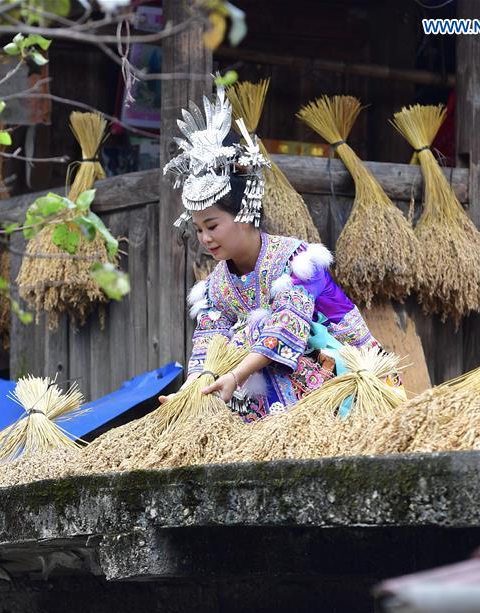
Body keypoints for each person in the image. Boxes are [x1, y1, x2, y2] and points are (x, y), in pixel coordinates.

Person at [158, 85, 381, 421]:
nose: (204, 238)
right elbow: (209, 342)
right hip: (260, 380)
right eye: (199, 229)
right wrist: (192, 390)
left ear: (245, 214)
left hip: (345, 370)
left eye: (213, 226)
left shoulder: (298, 263)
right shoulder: (216, 286)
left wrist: (235, 375)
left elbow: (286, 327)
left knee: (254, 340)